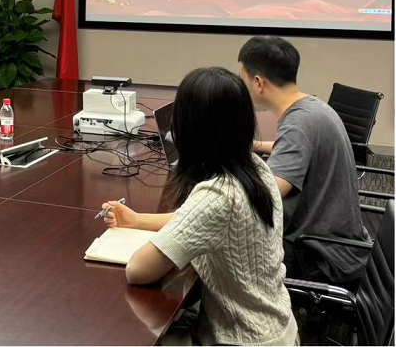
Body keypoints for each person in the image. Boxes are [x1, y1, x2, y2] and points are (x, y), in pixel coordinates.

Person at [101, 67, 297, 346]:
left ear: (190, 130)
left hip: (243, 340)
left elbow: (138, 270)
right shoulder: (255, 167)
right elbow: (193, 220)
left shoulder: (217, 195)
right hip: (278, 328)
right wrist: (137, 220)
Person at [238, 36, 369, 288]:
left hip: (318, 257)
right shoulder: (312, 107)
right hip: (340, 245)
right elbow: (299, 148)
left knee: (228, 248)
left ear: (258, 83)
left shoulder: (298, 124)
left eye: (242, 80)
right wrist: (254, 145)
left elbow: (269, 193)